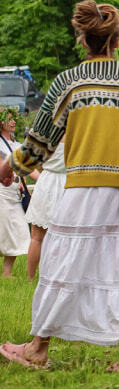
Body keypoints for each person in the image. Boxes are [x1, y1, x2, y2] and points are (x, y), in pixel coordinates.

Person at [0, 0, 119, 371]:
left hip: (83, 189)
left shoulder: (67, 82)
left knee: (62, 265)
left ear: (82, 39)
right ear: (117, 40)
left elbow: (38, 142)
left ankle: (38, 349)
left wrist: (11, 167)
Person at [24, 139, 66, 278]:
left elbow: (27, 158)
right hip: (67, 183)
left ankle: (31, 278)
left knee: (36, 237)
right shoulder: (78, 130)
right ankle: (52, 276)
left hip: (47, 181)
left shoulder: (45, 133)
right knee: (62, 236)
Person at [0, 112, 30, 277]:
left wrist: (23, 183)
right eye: (8, 118)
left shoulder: (17, 144)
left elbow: (23, 168)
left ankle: (6, 273)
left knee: (19, 230)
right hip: (2, 191)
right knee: (3, 231)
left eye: (13, 118)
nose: (12, 122)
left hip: (15, 193)